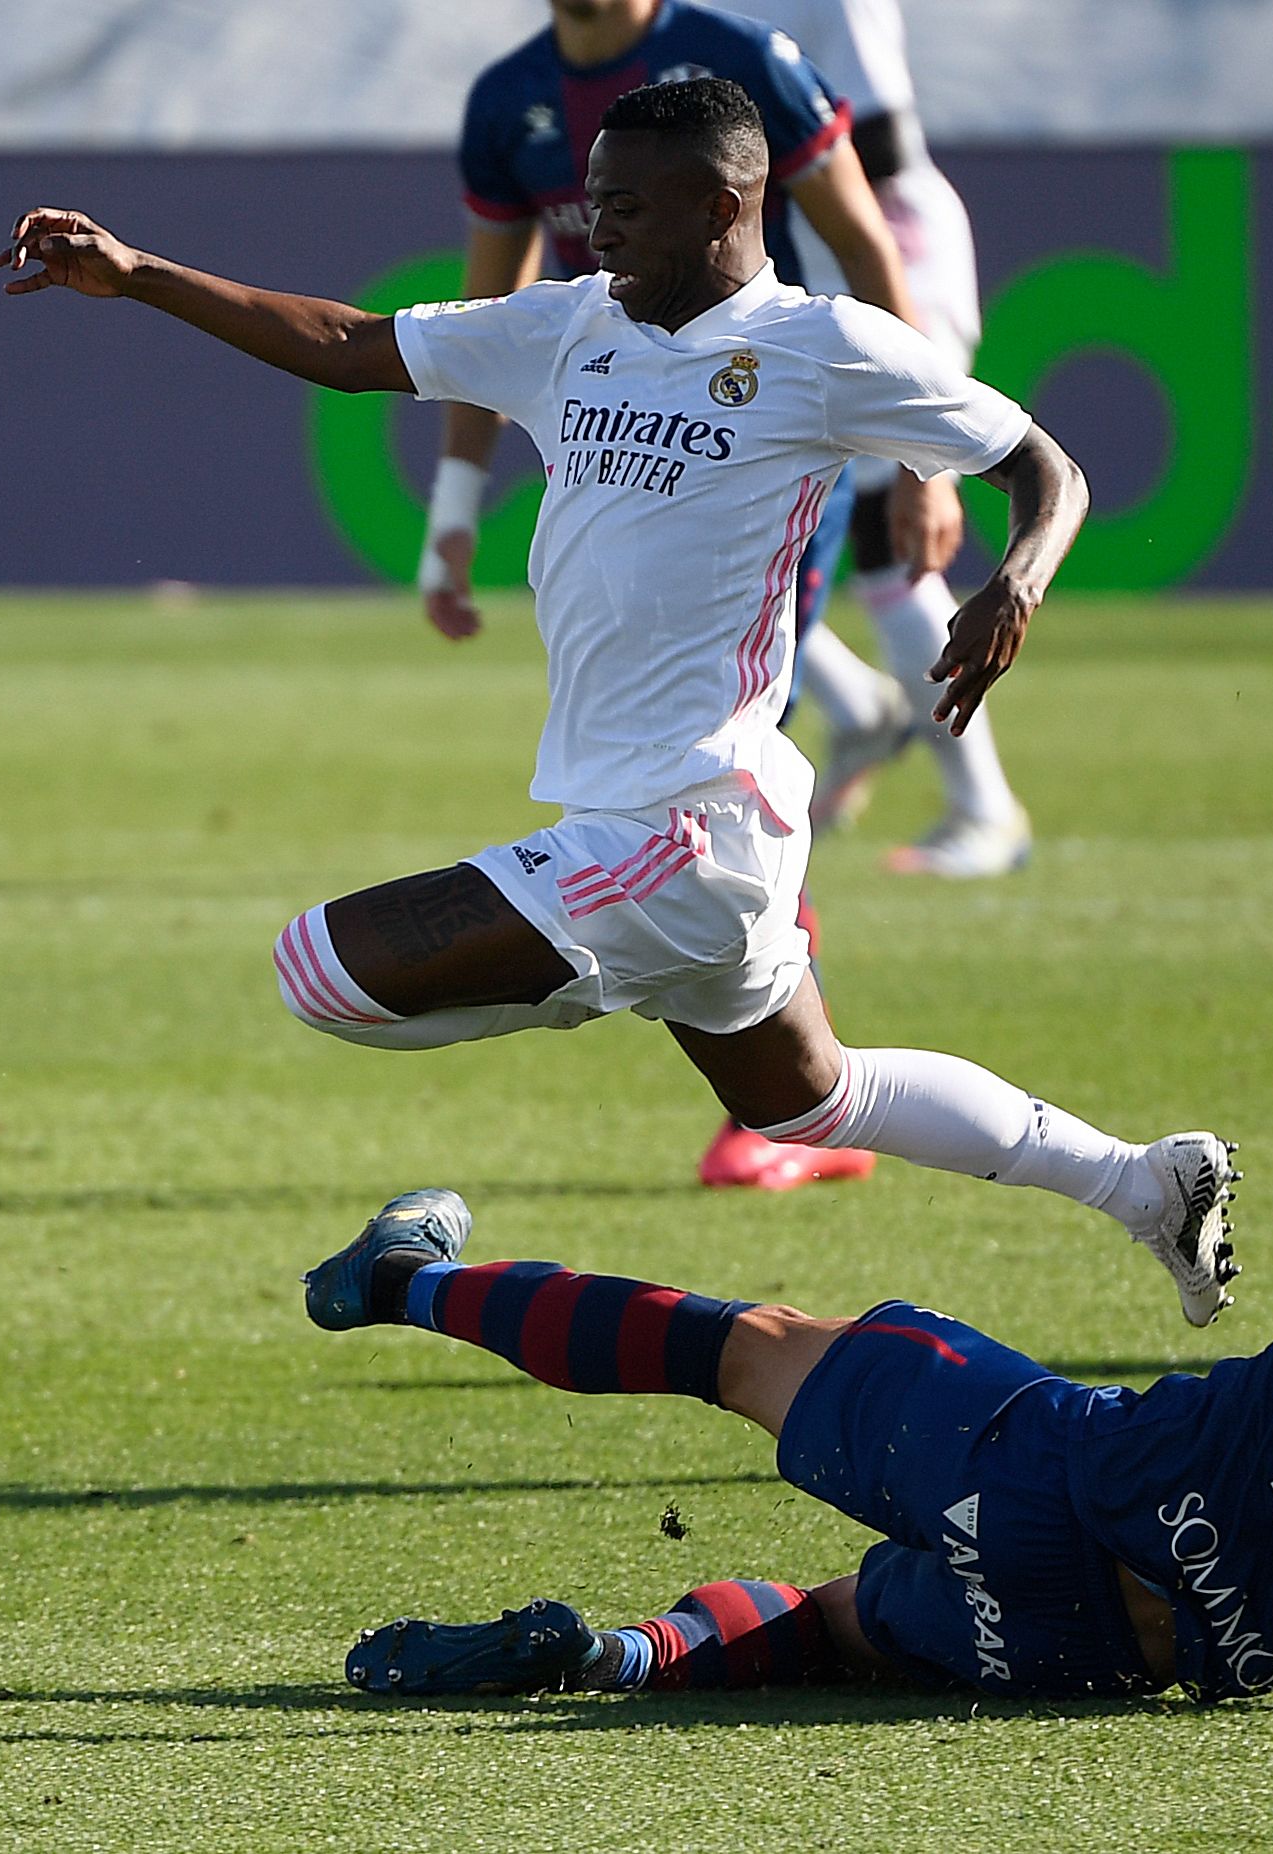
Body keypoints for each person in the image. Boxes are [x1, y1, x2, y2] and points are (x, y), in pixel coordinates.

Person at [0, 78, 1241, 1325]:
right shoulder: (568, 326)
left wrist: (1015, 581)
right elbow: (345, 345)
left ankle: (579, 989)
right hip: (671, 829)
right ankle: (1145, 1185)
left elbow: (1046, 465)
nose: (598, 228)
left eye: (629, 206)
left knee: (318, 970)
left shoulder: (825, 347)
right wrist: (139, 272)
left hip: (688, 827)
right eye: (592, 202)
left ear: (726, 204)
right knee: (809, 1103)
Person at [318, 782, 1273, 1707]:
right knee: (836, 1629)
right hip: (1127, 1658)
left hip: (1073, 1477)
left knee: (744, 1347)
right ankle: (616, 1656)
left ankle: (402, 1278)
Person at [418, 0, 970, 1186]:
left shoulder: (739, 64)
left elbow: (866, 247)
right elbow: (478, 307)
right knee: (695, 716)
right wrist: (453, 513)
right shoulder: (504, 101)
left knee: (727, 739)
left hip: (767, 429)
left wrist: (922, 459)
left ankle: (785, 1098)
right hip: (620, 422)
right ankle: (784, 1077)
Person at [746, 0, 1032, 877]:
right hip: (803, 265)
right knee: (763, 525)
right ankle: (859, 709)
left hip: (884, 253)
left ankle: (985, 809)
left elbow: (878, 143)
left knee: (893, 542)